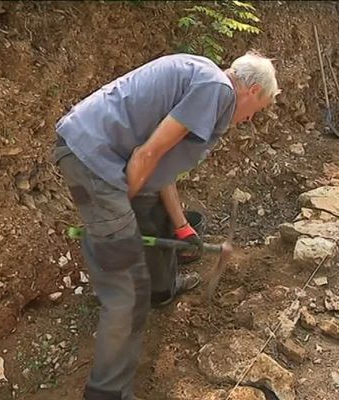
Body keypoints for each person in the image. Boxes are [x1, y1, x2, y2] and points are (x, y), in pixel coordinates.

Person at [52, 51, 279, 400]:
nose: (248, 119)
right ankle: (107, 393)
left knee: (152, 208)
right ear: (250, 90)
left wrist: (181, 225)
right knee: (127, 291)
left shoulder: (206, 81)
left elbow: (160, 170)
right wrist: (116, 216)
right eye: (256, 110)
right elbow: (146, 154)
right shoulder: (217, 90)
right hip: (94, 161)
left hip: (107, 157)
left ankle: (162, 288)